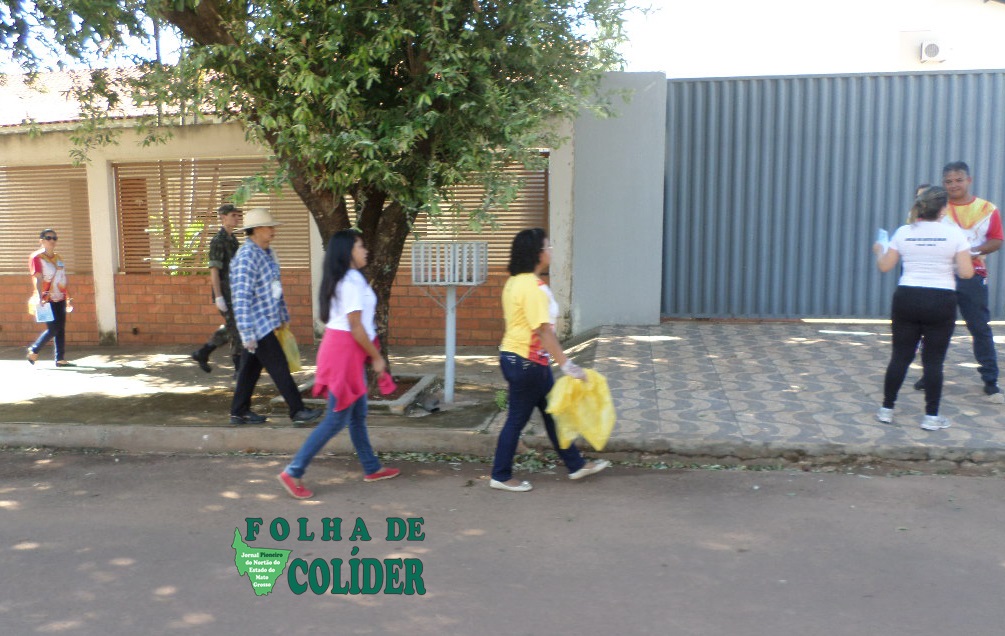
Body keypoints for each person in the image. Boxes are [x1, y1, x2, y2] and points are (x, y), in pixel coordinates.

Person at [277, 230, 400, 499]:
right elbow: (356, 328)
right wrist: (377, 357)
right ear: (347, 252)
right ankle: (293, 471)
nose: (365, 250)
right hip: (345, 352)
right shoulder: (350, 282)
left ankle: (371, 467)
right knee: (336, 419)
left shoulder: (350, 278)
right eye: (360, 246)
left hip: (345, 351)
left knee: (357, 414)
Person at [490, 228, 610, 492]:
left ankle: (576, 464)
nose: (551, 250)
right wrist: (567, 365)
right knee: (517, 420)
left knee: (553, 413)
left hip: (521, 359)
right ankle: (500, 475)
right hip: (527, 362)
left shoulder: (514, 282)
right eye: (548, 246)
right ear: (537, 253)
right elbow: (544, 331)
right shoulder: (532, 288)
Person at [874, 186, 974, 431]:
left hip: (907, 297)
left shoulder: (904, 232)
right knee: (933, 361)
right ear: (944, 209)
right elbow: (966, 273)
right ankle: (931, 417)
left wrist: (879, 250)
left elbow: (885, 266)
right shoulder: (955, 234)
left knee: (900, 356)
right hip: (941, 300)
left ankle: (886, 409)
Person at [913, 162, 1003, 402]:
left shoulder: (987, 209)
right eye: (948, 181)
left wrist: (973, 252)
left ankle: (990, 380)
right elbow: (919, 233)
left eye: (958, 180)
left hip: (973, 276)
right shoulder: (936, 208)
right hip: (939, 275)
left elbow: (996, 240)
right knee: (934, 328)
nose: (953, 185)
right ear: (943, 183)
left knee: (979, 327)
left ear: (968, 180)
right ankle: (929, 376)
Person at [228, 208, 322, 426]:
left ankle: (239, 411)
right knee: (278, 366)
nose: (273, 230)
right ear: (256, 230)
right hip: (256, 324)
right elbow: (241, 298)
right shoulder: (246, 257)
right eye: (268, 227)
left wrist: (281, 316)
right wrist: (247, 333)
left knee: (250, 370)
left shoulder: (267, 253)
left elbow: (274, 286)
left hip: (266, 322)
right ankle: (297, 410)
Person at [191, 204, 243, 375]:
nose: (237, 218)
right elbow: (214, 270)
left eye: (238, 215)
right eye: (233, 215)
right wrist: (219, 296)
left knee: (232, 327)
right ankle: (239, 369)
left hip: (235, 291)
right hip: (225, 293)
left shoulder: (233, 239)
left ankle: (203, 352)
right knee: (237, 328)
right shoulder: (218, 241)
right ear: (223, 217)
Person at [27, 228, 73, 367]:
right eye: (48, 238)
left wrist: (68, 296)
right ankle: (34, 349)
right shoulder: (37, 257)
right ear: (41, 240)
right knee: (53, 328)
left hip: (60, 296)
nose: (52, 241)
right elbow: (37, 278)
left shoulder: (58, 258)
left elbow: (62, 277)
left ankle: (60, 358)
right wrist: (39, 296)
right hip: (46, 298)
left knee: (61, 328)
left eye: (54, 238)